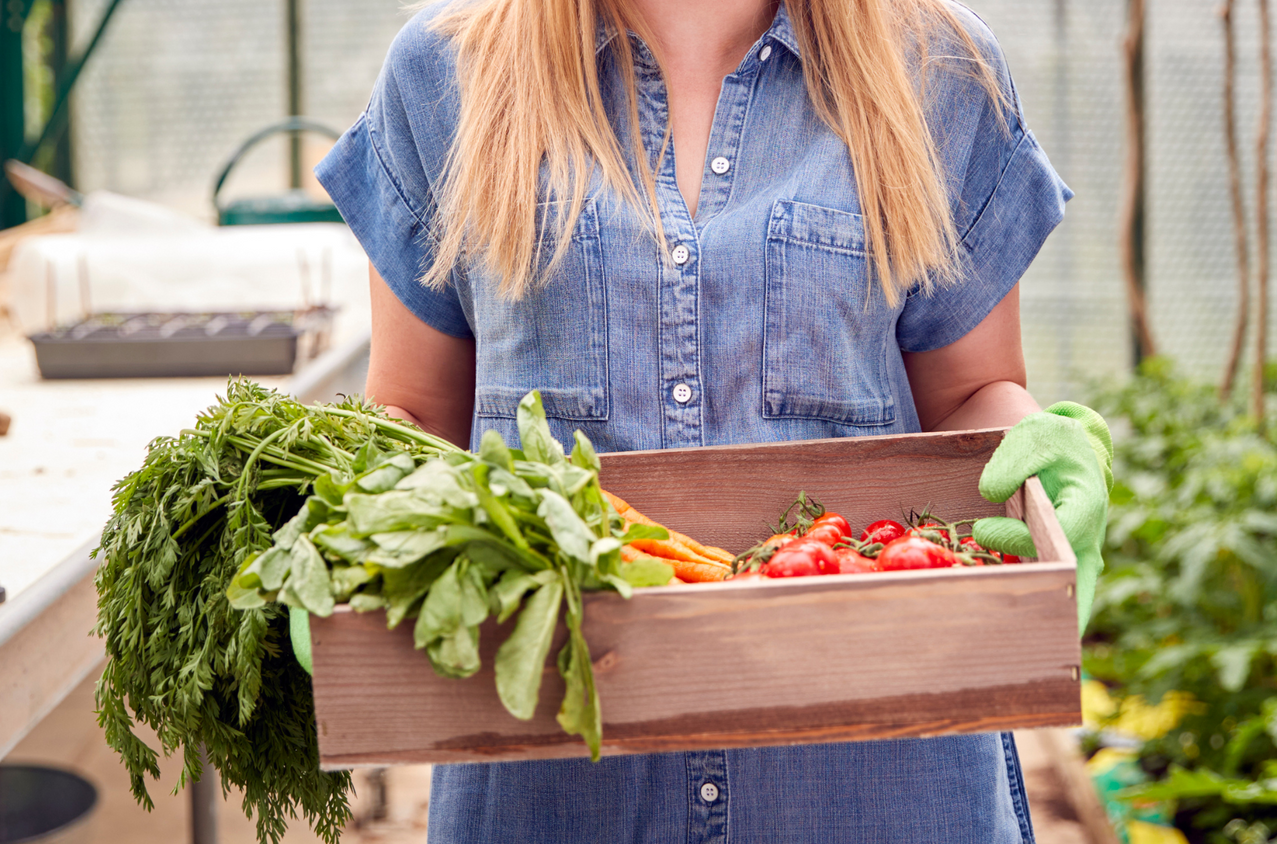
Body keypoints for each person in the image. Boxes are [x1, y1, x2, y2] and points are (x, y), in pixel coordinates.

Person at [316, 0, 1112, 840]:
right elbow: (415, 415)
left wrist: (1039, 461)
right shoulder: (448, 70)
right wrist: (349, 524)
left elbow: (967, 397)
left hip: (877, 793)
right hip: (556, 797)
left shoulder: (936, 66)